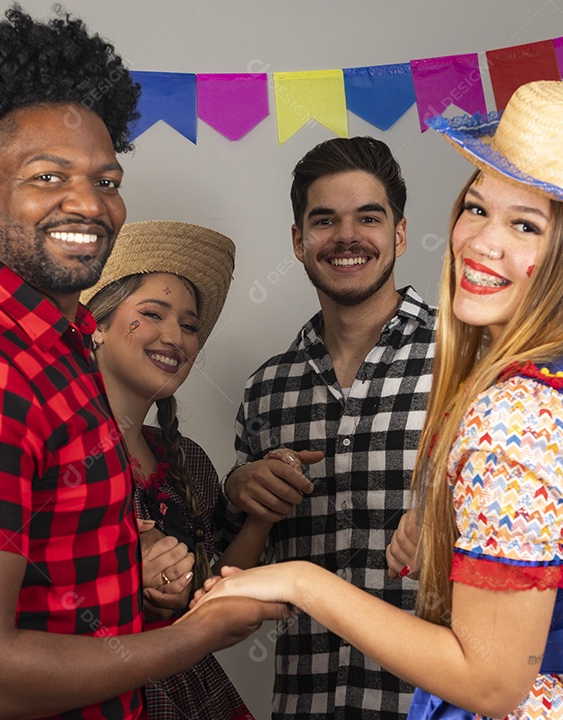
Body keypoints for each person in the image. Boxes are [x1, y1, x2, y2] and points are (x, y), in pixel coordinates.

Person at [193, 80, 563, 718]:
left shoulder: (513, 408)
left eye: (526, 224)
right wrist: (457, 538)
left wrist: (302, 580)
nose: (478, 243)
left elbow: (494, 684)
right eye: (476, 209)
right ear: (298, 238)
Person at [0, 9, 287, 720]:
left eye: (107, 178)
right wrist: (195, 635)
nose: (89, 203)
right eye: (48, 176)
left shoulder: (55, 353)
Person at [214, 135, 436, 718]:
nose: (346, 236)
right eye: (324, 220)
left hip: (434, 704)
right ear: (298, 241)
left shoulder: (472, 359)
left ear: (400, 234)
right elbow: (240, 578)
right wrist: (241, 489)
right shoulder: (267, 390)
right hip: (305, 703)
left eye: (369, 217)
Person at [82, 219, 271, 720]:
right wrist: (126, 580)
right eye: (152, 313)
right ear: (96, 325)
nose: (176, 337)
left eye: (189, 325)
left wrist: (262, 516)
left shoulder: (188, 463)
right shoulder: (60, 452)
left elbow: (207, 613)